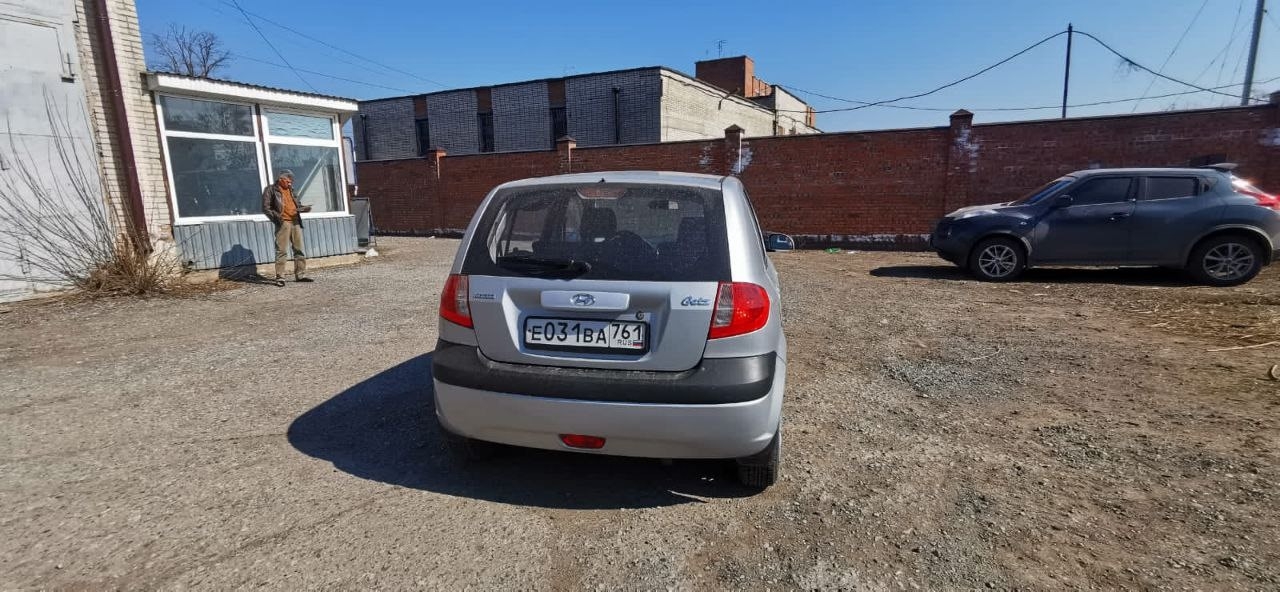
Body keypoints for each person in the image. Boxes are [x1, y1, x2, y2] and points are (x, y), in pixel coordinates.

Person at [262, 170, 312, 286]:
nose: (290, 184)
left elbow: (297, 204)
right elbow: (266, 208)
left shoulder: (291, 190)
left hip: (295, 221)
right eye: (288, 181)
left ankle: (300, 275)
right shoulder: (271, 190)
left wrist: (304, 208)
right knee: (281, 251)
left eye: (291, 182)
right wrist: (277, 219)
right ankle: (280, 278)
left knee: (299, 249)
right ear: (280, 179)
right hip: (283, 222)